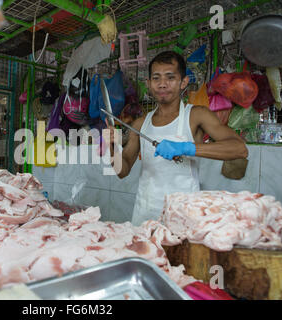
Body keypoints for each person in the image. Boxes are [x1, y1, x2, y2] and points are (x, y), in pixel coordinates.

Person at [104, 51, 248, 225]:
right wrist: (111, 147)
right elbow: (122, 171)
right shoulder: (140, 123)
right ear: (149, 84)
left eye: (170, 77)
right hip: (145, 215)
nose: (162, 84)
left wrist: (187, 148)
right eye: (156, 78)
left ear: (183, 82)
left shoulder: (196, 115)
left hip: (184, 215)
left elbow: (240, 149)